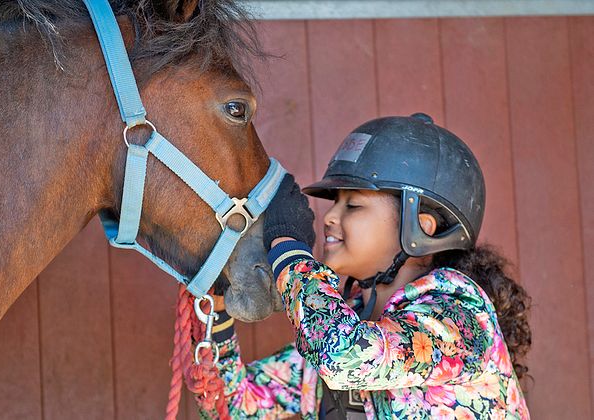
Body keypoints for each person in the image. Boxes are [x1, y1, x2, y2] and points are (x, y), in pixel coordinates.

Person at [198, 113, 531, 419]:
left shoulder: (459, 316)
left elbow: (344, 355)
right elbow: (237, 407)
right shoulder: (349, 321)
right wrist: (217, 308)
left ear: (421, 228)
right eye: (335, 203)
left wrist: (288, 248)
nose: (329, 217)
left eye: (353, 205)